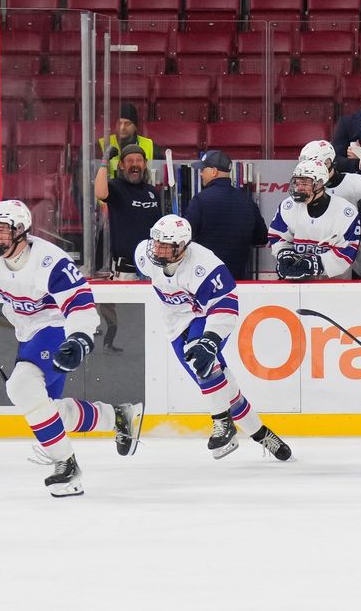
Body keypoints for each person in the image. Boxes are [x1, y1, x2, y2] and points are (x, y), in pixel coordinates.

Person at [0, 200, 142, 497]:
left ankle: (67, 465)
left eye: (1, 231)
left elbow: (80, 305)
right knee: (44, 408)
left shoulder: (49, 261)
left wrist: (78, 339)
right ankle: (115, 416)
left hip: (56, 325)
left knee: (21, 388)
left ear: (21, 231)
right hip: (26, 330)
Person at [134, 215, 291, 461]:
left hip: (206, 317)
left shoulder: (205, 265)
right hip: (175, 325)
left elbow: (226, 304)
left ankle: (222, 423)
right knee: (224, 389)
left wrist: (210, 339)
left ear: (182, 246)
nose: (157, 249)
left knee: (202, 363)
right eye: (156, 243)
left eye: (165, 245)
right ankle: (262, 435)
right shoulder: (145, 255)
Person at [267, 159, 361, 281]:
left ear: (320, 183)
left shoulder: (345, 212)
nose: (299, 188)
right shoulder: (288, 206)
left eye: (305, 183)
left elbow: (346, 252)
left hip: (335, 285)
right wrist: (285, 255)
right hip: (296, 284)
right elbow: (278, 237)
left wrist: (313, 264)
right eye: (297, 182)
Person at [298, 139, 361, 279]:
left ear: (328, 162)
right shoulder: (302, 190)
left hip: (360, 262)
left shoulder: (359, 185)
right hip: (317, 265)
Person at [183, 150, 268, 281]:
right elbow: (261, 238)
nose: (200, 173)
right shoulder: (247, 201)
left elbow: (184, 236)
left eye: (203, 169)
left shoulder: (200, 200)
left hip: (206, 280)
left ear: (214, 171)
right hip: (238, 282)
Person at [93, 144, 162, 279]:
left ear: (145, 164)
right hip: (125, 271)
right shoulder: (116, 186)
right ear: (121, 165)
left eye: (139, 160)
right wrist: (104, 161)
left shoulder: (152, 192)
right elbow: (100, 193)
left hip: (152, 269)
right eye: (130, 160)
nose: (134, 164)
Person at [99, 102, 155, 176]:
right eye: (119, 123)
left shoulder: (149, 145)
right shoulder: (102, 145)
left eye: (127, 124)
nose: (122, 127)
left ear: (135, 126)